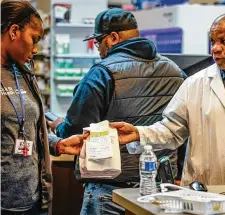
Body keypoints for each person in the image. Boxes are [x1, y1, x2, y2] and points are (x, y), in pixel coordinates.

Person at [110, 12, 225, 186]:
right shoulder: (195, 83)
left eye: (224, 42)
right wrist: (139, 133)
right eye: (213, 41)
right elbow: (172, 130)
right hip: (203, 192)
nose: (215, 48)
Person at [48, 8, 186, 215]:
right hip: (159, 189)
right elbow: (182, 128)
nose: (98, 49)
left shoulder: (101, 73)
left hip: (109, 191)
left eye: (98, 43)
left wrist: (58, 126)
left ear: (112, 38)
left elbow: (75, 132)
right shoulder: (176, 72)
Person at [1, 1, 88, 214]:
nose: (36, 49)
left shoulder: (24, 72)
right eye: (34, 39)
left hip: (33, 198)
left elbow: (27, 128)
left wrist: (58, 145)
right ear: (14, 31)